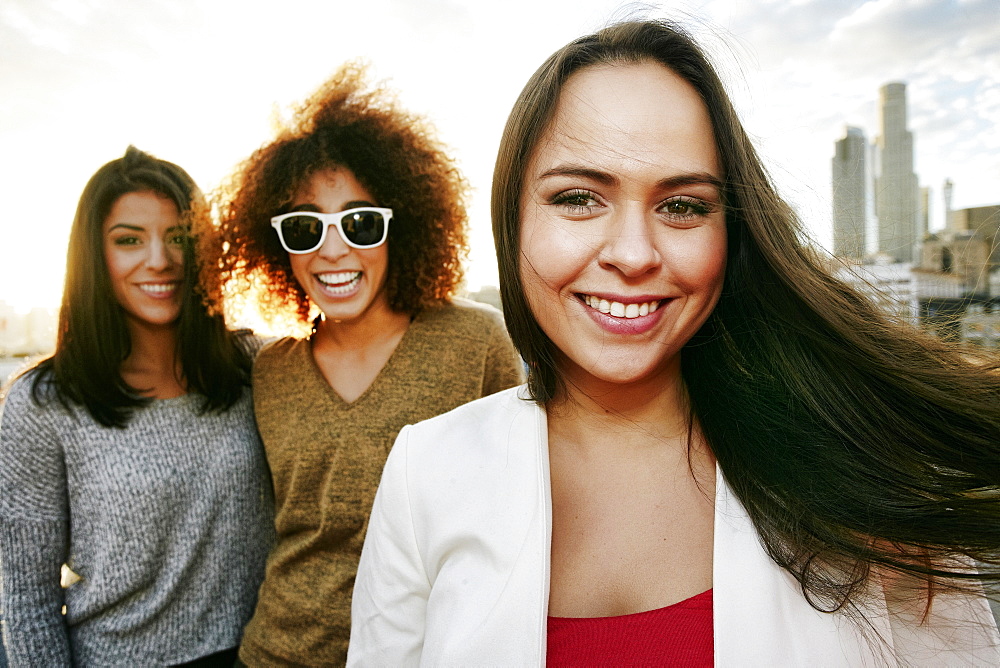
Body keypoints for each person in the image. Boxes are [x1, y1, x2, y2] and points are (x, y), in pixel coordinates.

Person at [349, 19, 1000, 666]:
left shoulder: (857, 465)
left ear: (732, 233)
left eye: (683, 206)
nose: (634, 254)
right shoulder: (424, 473)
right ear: (513, 219)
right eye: (578, 198)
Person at [206, 62, 523, 666]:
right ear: (278, 246)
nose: (333, 249)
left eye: (358, 221)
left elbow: (522, 515)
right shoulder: (270, 369)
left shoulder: (476, 342)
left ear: (399, 226)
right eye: (304, 227)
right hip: (275, 654)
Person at [0, 146, 274, 665]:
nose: (159, 260)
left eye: (179, 238)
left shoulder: (251, 367)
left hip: (256, 657)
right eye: (129, 240)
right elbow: (28, 602)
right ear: (93, 256)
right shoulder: (43, 404)